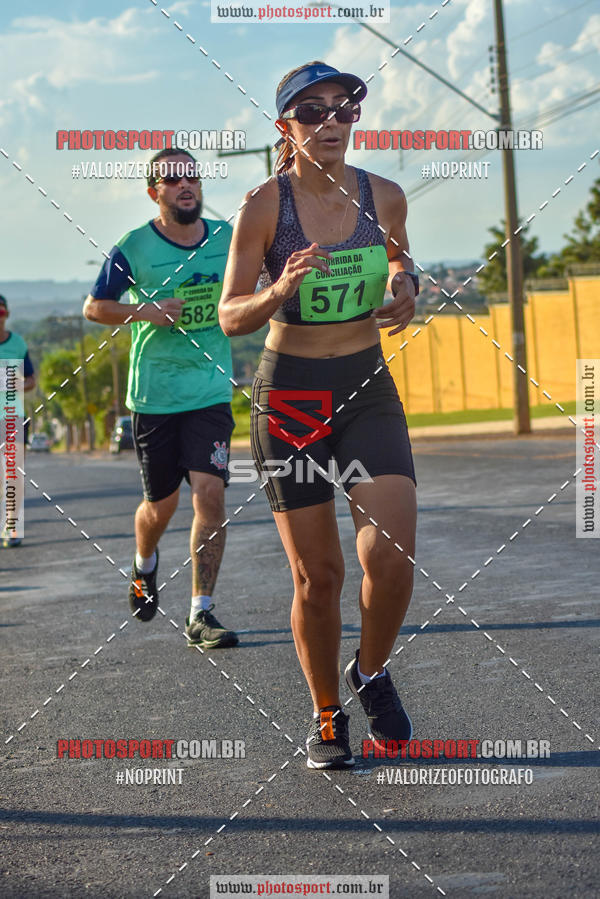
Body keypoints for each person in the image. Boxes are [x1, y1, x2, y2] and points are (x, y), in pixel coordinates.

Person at [220, 62, 419, 768]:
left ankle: (369, 670)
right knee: (320, 575)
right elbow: (229, 315)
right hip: (294, 394)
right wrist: (278, 290)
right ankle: (326, 713)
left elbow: (399, 257)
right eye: (313, 111)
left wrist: (405, 284)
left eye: (344, 109)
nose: (331, 121)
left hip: (365, 383)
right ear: (286, 127)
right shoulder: (264, 207)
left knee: (390, 554)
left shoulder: (384, 195)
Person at [83, 149, 238, 649]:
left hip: (210, 389)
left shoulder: (226, 239)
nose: (185, 184)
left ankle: (202, 612)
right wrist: (145, 311)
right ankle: (143, 564)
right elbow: (95, 307)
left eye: (191, 175)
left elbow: (253, 283)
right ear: (155, 192)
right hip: (154, 395)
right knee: (160, 504)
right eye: (172, 180)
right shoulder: (133, 246)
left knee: (210, 494)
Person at [0, 294, 36, 547]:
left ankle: (12, 526)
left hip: (13, 417)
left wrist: (20, 384)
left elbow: (32, 379)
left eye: (0, 313)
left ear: (7, 315)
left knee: (13, 474)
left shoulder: (18, 343)